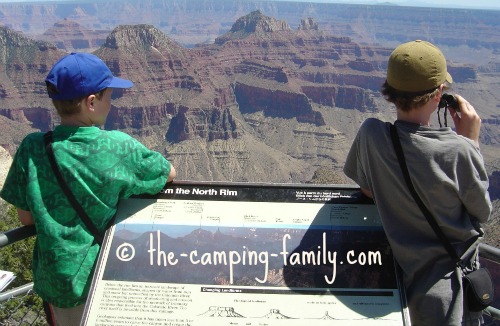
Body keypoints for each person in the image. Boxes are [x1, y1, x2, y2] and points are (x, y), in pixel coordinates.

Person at [0, 52, 176, 325]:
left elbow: (26, 218)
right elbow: (168, 173)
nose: (112, 102)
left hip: (56, 284)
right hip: (102, 281)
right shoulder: (117, 146)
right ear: (92, 102)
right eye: (109, 95)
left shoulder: (32, 147)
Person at [343, 40, 491, 325]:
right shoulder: (458, 150)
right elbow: (482, 213)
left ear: (390, 92)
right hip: (449, 301)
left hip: (399, 289)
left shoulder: (371, 134)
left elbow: (367, 189)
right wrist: (471, 142)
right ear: (439, 95)